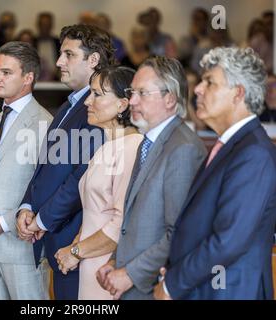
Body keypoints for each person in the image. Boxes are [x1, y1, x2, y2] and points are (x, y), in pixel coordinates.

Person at [154, 47, 276, 300]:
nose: (199, 89)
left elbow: (228, 240)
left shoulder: (254, 154)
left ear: (238, 93)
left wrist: (173, 284)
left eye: (210, 82)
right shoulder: (231, 146)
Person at [16, 24, 114, 300]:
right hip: (55, 236)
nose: (59, 62)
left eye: (68, 55)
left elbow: (80, 179)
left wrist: (42, 220)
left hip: (76, 239)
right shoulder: (68, 105)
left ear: (92, 60)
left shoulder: (96, 110)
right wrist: (27, 206)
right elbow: (44, 167)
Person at [96, 56, 207, 300]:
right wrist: (116, 260)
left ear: (170, 99)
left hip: (154, 288)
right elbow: (134, 222)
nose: (132, 101)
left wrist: (130, 273)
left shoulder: (183, 149)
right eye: (132, 92)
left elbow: (178, 233)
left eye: (142, 93)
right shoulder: (148, 141)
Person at [0, 41, 52, 300]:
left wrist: (3, 223)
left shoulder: (45, 124)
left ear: (28, 77)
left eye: (6, 72)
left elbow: (44, 189)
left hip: (22, 248)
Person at [54, 66, 142, 300]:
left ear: (123, 104)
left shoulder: (132, 148)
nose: (87, 102)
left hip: (110, 266)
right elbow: (93, 210)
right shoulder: (106, 145)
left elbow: (121, 221)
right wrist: (76, 248)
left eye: (97, 95)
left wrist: (75, 251)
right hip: (90, 259)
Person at [35, 12, 60, 81]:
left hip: (56, 81)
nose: (45, 27)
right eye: (43, 25)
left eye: (47, 25)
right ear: (38, 25)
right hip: (36, 82)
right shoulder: (33, 42)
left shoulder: (59, 42)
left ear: (51, 25)